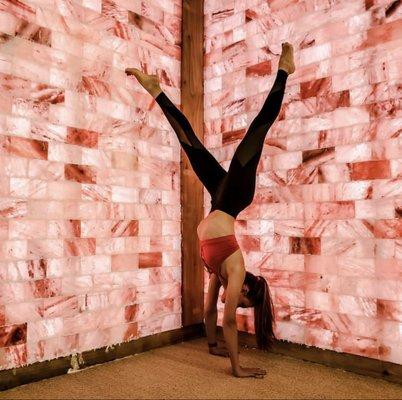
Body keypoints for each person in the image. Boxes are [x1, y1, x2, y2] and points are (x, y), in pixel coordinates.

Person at [125, 42, 295, 378]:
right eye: (245, 304)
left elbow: (208, 313)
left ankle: (156, 90)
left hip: (221, 198)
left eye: (240, 306)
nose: (237, 307)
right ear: (246, 291)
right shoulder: (234, 270)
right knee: (258, 130)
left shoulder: (220, 275)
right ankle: (285, 71)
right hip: (236, 197)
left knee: (190, 146)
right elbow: (228, 318)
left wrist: (212, 345)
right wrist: (238, 368)